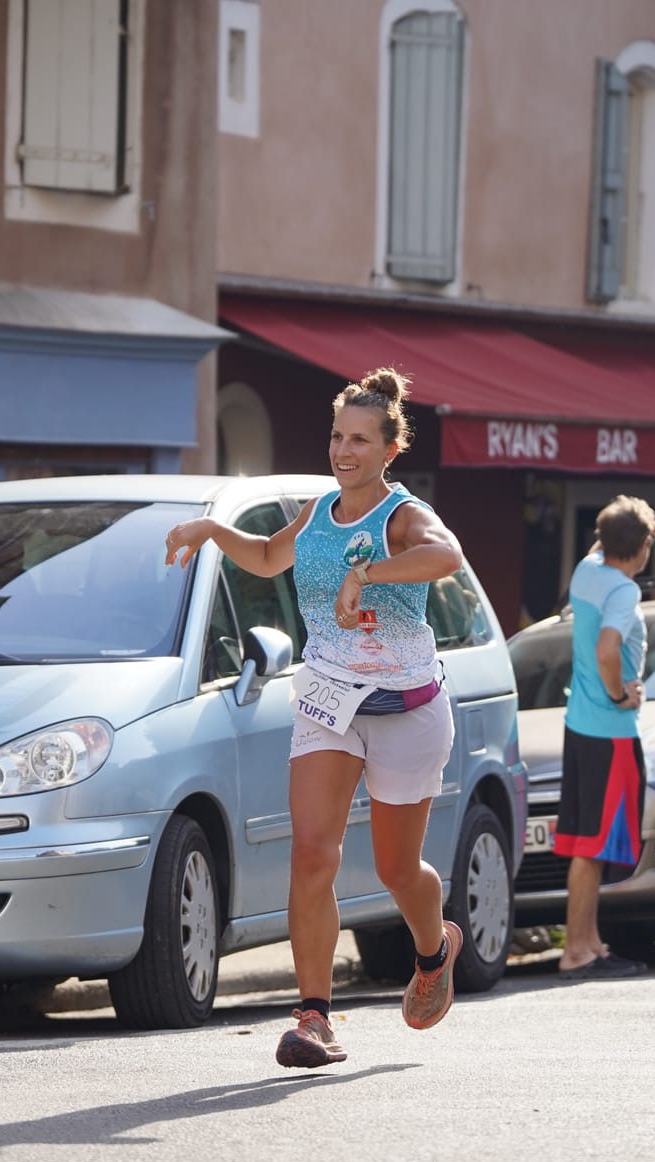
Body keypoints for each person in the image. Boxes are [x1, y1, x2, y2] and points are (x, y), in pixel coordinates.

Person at [164, 367, 466, 1068]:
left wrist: (369, 573)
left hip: (404, 707)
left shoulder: (400, 514)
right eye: (337, 435)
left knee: (397, 868)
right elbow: (271, 558)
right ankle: (314, 1016)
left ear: (391, 448)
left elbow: (444, 554)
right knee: (313, 850)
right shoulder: (320, 509)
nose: (344, 450)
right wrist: (213, 528)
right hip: (331, 696)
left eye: (360, 439)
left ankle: (434, 947)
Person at [555, 495, 655, 980]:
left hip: (580, 725)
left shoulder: (586, 570)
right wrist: (621, 692)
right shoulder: (623, 591)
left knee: (588, 842)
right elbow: (608, 649)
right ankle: (577, 952)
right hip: (611, 728)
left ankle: (591, 943)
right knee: (593, 844)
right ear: (642, 546)